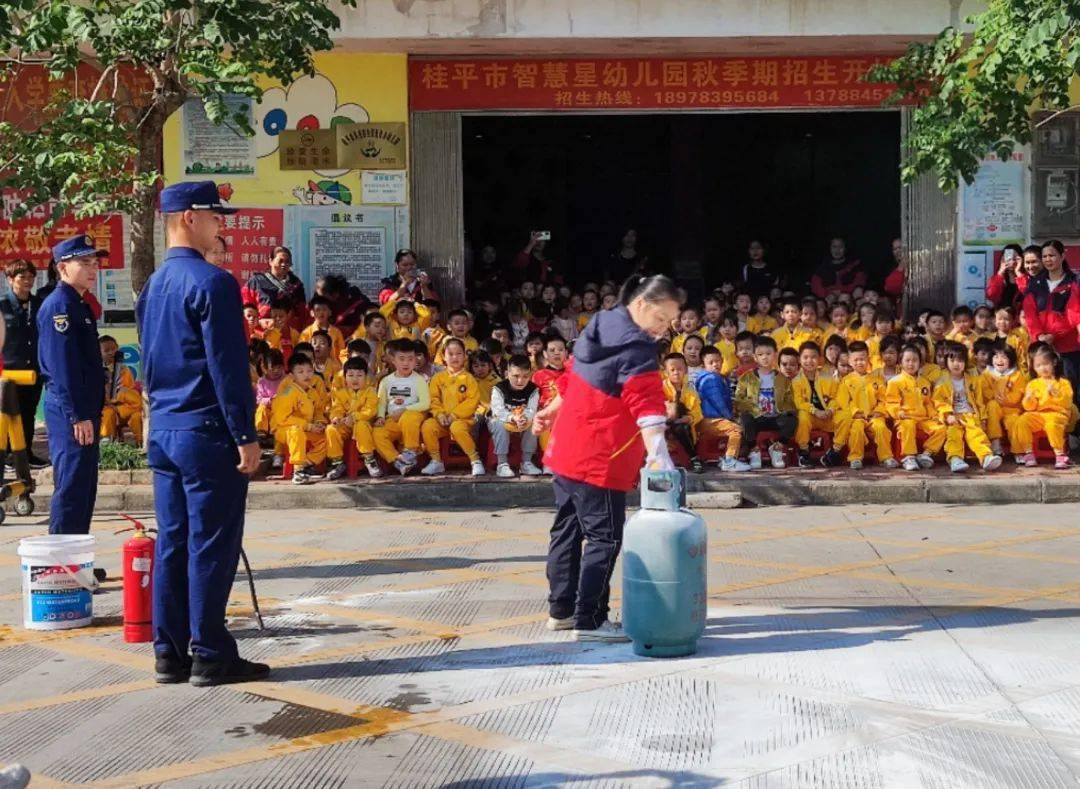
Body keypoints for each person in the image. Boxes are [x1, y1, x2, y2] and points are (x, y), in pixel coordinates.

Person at [135, 181, 266, 687]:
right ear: (189, 217)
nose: (222, 225)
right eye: (215, 216)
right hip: (206, 430)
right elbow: (228, 368)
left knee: (173, 542)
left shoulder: (152, 286)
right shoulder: (213, 283)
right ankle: (211, 652)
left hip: (166, 430)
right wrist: (245, 434)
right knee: (211, 544)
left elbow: (150, 363)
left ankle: (169, 652)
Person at [533, 274, 681, 643]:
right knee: (605, 538)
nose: (664, 330)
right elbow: (646, 404)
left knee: (567, 529)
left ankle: (562, 610)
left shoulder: (601, 324)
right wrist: (659, 455)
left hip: (568, 448)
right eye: (662, 319)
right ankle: (591, 619)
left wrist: (551, 411)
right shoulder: (638, 349)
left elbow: (575, 377)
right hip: (600, 456)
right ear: (642, 305)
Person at [37, 235, 106, 538]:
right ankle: (59, 565)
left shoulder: (78, 303)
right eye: (84, 262)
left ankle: (77, 561)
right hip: (71, 412)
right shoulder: (59, 307)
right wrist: (77, 414)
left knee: (84, 486)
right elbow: (61, 369)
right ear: (62, 268)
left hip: (83, 409)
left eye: (95, 262)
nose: (93, 269)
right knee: (71, 486)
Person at [0, 258, 47, 467]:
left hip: (33, 369)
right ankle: (7, 455)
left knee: (28, 412)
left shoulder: (40, 304)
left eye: (31, 277)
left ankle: (26, 453)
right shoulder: (2, 306)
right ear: (10, 279)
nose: (28, 281)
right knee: (6, 414)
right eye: (22, 277)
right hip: (8, 371)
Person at [1023, 240, 1080, 412]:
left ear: (1062, 256)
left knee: (1070, 388)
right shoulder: (1034, 284)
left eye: (1052, 255)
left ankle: (1073, 433)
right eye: (1045, 256)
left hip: (1068, 347)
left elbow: (1074, 313)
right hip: (1042, 347)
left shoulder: (1073, 282)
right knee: (1042, 387)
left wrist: (1055, 334)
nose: (1048, 259)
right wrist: (1040, 336)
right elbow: (1030, 313)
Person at [932, 344, 1002, 473]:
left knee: (976, 434)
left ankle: (986, 457)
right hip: (953, 416)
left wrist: (983, 418)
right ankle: (955, 458)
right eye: (952, 360)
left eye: (960, 360)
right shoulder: (942, 381)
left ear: (965, 362)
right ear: (946, 361)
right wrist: (947, 414)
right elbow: (938, 401)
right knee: (953, 434)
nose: (956, 364)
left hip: (970, 415)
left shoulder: (973, 381)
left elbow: (979, 402)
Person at [420, 338, 484, 477]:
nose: (455, 357)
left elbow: (472, 401)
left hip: (463, 420)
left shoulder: (469, 378)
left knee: (456, 427)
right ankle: (436, 461)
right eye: (451, 354)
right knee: (428, 426)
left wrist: (454, 415)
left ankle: (475, 460)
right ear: (443, 356)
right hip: (442, 420)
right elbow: (433, 399)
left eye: (459, 353)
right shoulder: (438, 378)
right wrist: (439, 414)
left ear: (465, 356)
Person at [734, 335, 796, 469]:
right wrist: (755, 410)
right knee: (745, 418)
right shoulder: (746, 378)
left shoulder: (783, 379)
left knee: (792, 419)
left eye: (768, 353)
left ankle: (777, 447)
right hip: (757, 417)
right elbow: (739, 400)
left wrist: (783, 410)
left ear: (775, 354)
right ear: (755, 357)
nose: (765, 357)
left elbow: (789, 400)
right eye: (760, 354)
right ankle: (754, 450)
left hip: (775, 417)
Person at [272, 353, 333, 485]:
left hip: (305, 428)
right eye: (301, 372)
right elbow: (282, 418)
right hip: (284, 429)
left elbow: (318, 411)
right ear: (292, 376)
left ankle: (306, 463)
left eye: (309, 371)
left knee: (327, 437)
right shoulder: (289, 392)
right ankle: (298, 471)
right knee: (296, 431)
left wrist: (319, 423)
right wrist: (307, 426)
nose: (306, 375)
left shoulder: (312, 392)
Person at [373, 338, 430, 475]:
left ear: (415, 360)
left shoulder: (420, 380)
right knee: (377, 433)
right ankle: (399, 462)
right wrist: (381, 416)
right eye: (402, 359)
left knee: (409, 417)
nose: (406, 363)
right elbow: (381, 402)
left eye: (410, 359)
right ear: (393, 360)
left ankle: (410, 452)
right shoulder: (386, 381)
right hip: (393, 421)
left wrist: (405, 410)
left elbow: (426, 403)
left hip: (413, 420)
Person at [886, 344, 946, 472]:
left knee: (941, 428)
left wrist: (935, 416)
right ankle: (909, 457)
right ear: (901, 362)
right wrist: (898, 412)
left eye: (915, 360)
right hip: (905, 418)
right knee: (908, 425)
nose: (911, 364)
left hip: (923, 419)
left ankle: (926, 454)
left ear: (920, 362)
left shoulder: (924, 382)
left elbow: (928, 403)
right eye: (907, 360)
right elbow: (891, 402)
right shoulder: (895, 382)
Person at [1013, 345, 1074, 469]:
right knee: (1022, 420)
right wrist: (1029, 398)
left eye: (1045, 364)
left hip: (1057, 414)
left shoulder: (1063, 382)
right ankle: (1028, 452)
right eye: (1038, 366)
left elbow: (1067, 403)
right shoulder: (1033, 383)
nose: (1043, 368)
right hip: (1039, 414)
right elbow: (1029, 407)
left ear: (1054, 362)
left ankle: (1059, 454)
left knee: (1052, 424)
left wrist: (1056, 394)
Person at [694, 346, 750, 471]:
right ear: (704, 365)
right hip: (710, 419)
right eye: (711, 362)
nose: (715, 365)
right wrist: (729, 416)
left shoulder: (713, 378)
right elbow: (717, 400)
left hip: (708, 419)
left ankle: (725, 459)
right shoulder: (711, 379)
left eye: (718, 361)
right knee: (735, 430)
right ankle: (730, 460)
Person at [489, 354, 542, 477]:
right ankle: (502, 464)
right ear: (507, 373)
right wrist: (512, 417)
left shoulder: (533, 390)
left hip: (522, 420)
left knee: (534, 421)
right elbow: (497, 410)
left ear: (531, 374)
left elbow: (531, 410)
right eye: (515, 376)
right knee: (498, 424)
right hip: (501, 419)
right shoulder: (499, 388)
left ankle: (526, 462)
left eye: (525, 376)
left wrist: (524, 418)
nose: (520, 381)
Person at [243, 246, 306, 330]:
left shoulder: (296, 284)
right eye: (280, 261)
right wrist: (258, 321)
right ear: (270, 261)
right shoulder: (256, 281)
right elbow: (246, 306)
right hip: (261, 332)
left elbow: (302, 313)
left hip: (288, 334)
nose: (284, 264)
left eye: (287, 262)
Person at [99, 335, 143, 446]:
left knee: (137, 415)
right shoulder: (97, 371)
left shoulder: (124, 369)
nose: (111, 353)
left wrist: (122, 394)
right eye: (106, 350)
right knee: (108, 414)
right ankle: (108, 445)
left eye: (113, 349)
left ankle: (141, 443)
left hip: (124, 408)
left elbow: (131, 395)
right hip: (107, 407)